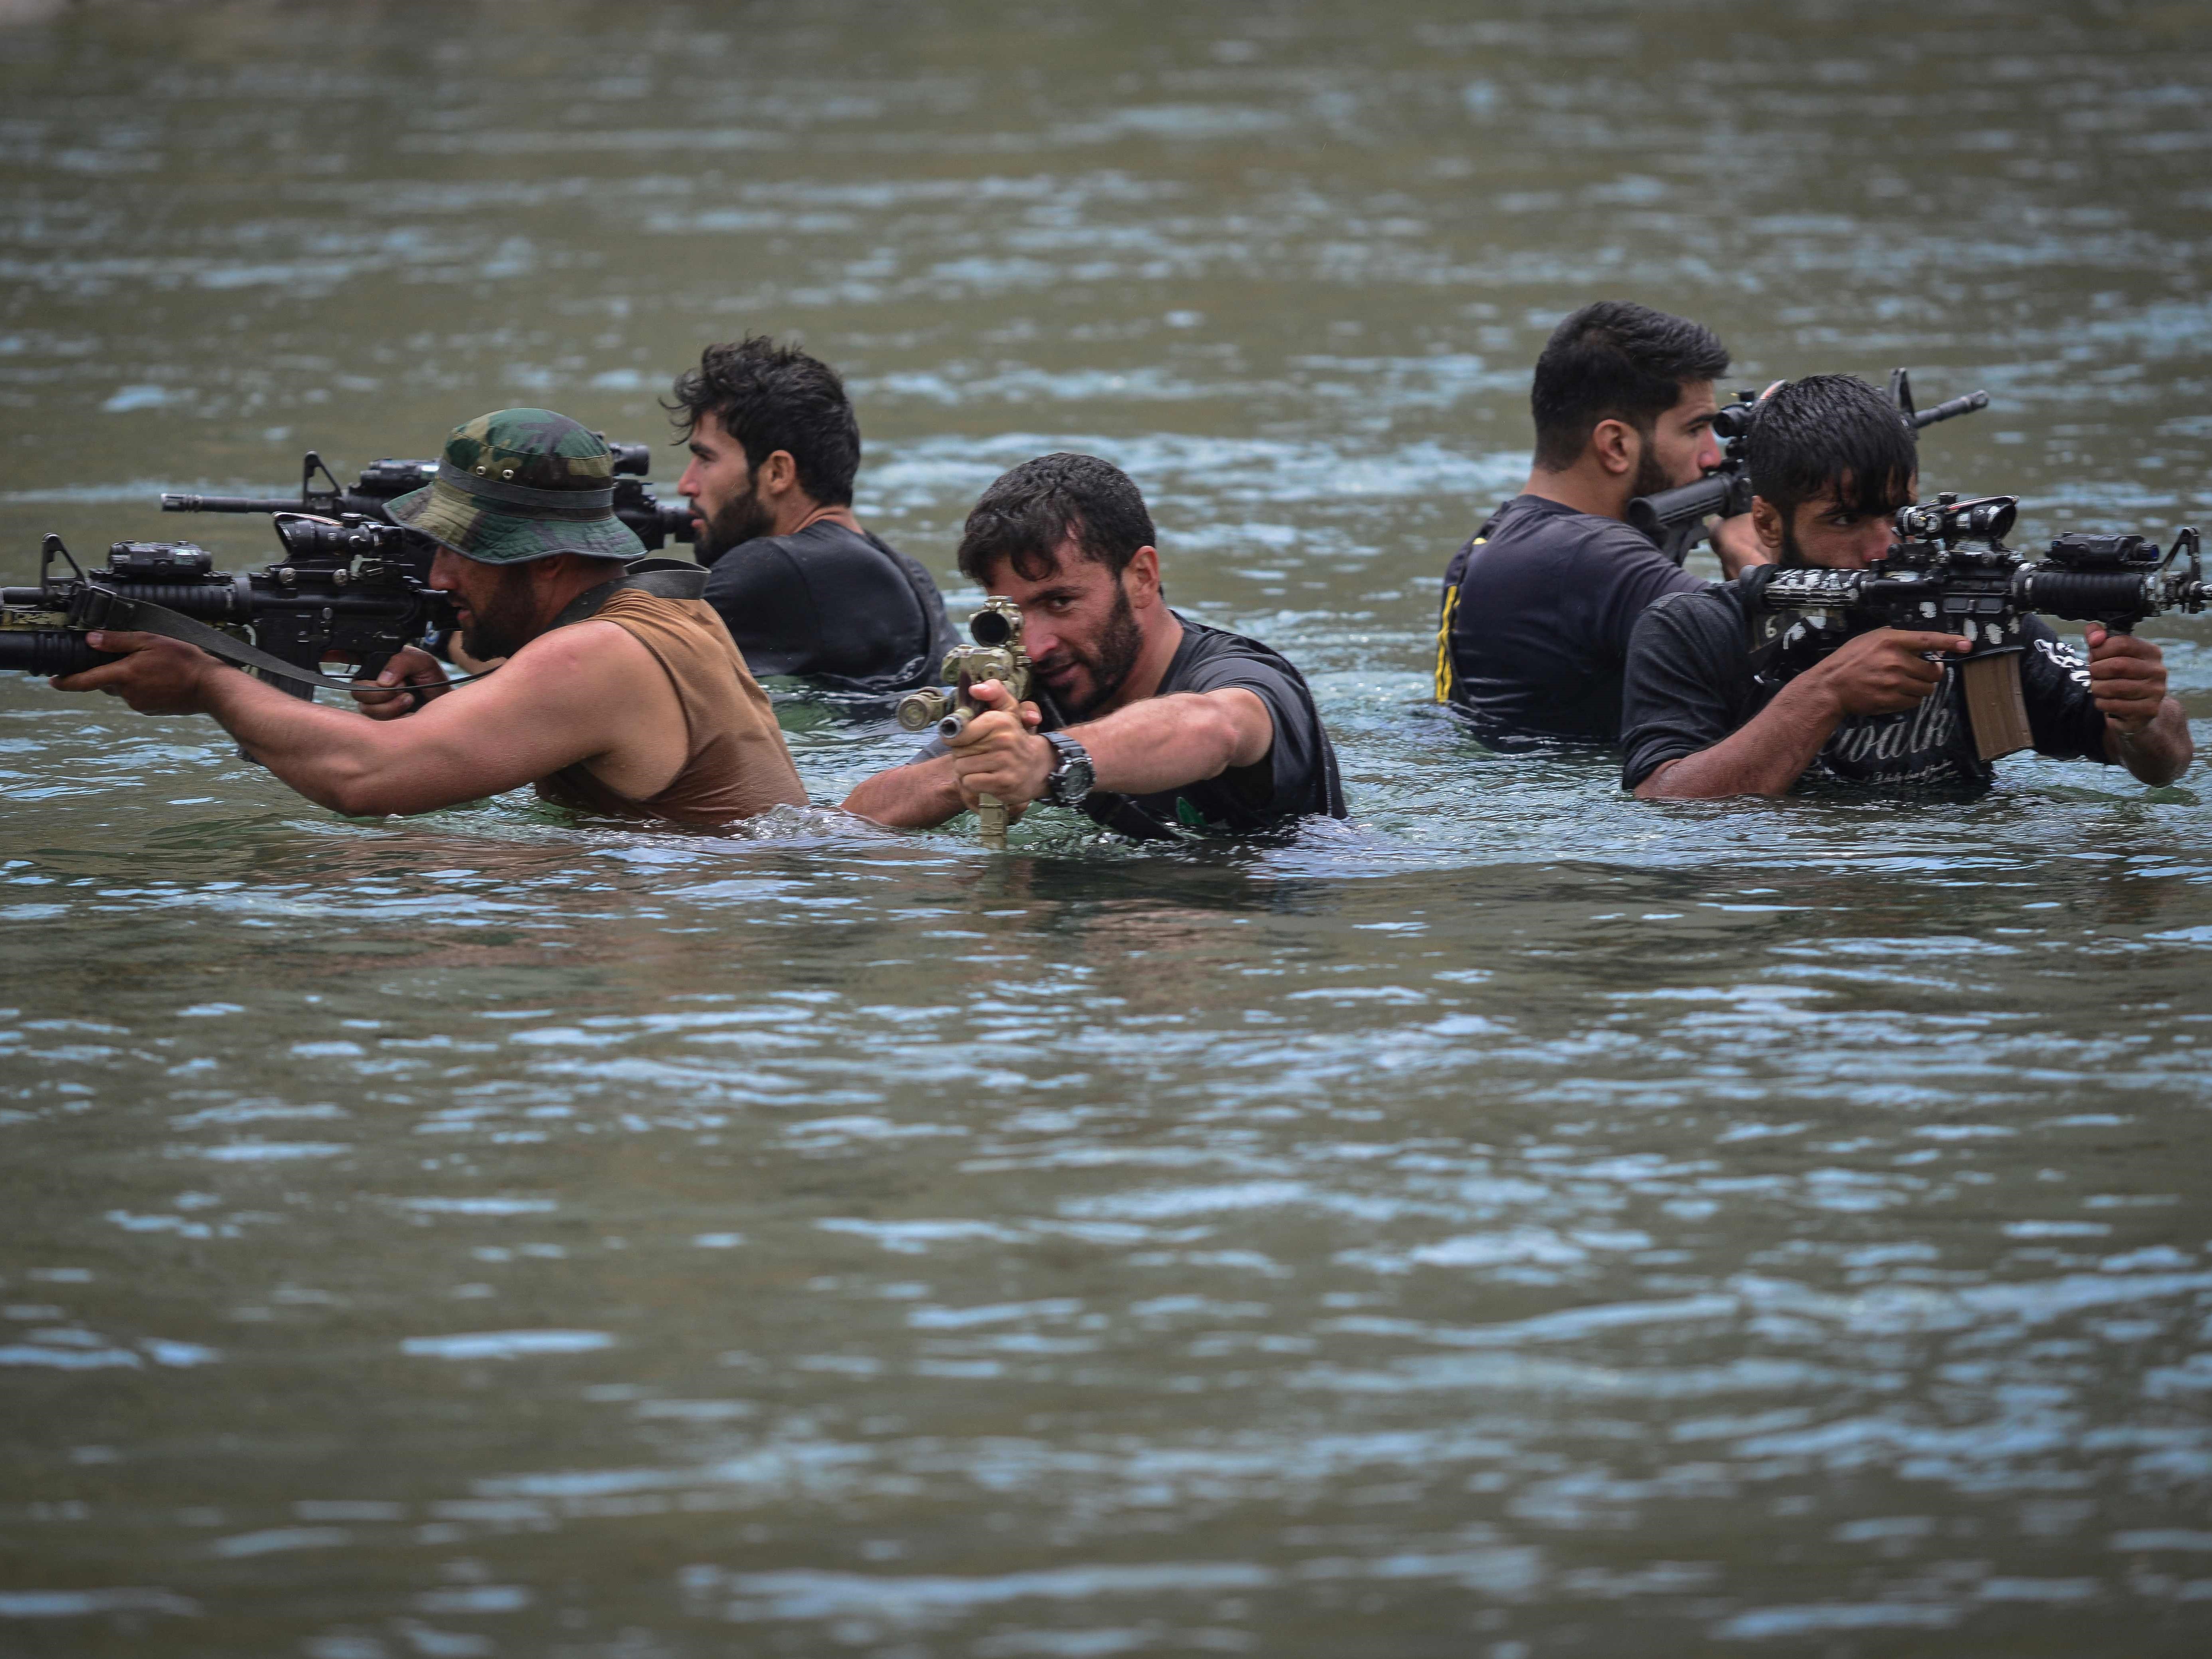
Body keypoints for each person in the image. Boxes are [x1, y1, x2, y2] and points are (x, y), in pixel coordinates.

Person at [51, 409, 810, 827]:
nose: (439, 576)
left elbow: (362, 777)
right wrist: (452, 707)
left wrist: (207, 682)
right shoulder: (658, 607)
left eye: (461, 553)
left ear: (546, 559)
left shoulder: (593, 655)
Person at [1620, 374, 2191, 797]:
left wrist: (2140, 716)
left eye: (1899, 515)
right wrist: (1825, 693)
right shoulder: (1691, 629)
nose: (1880, 547)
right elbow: (1660, 802)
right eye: (1843, 521)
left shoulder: (1968, 617)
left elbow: (2164, 763)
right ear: (1768, 523)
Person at [842, 453, 1345, 839]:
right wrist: (976, 772)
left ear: (1142, 577)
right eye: (1011, 616)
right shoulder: (1030, 686)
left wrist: (1045, 763)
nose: (1035, 647)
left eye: (1060, 601)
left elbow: (1212, 727)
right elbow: (851, 825)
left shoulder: (1247, 680)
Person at [1435, 300, 1767, 746]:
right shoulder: (1590, 557)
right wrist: (1757, 553)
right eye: (1695, 430)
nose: (1712, 457)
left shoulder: (1498, 537)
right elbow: (1800, 653)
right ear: (1615, 445)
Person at [669, 336, 955, 694]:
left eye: (706, 459)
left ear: (777, 473)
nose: (686, 484)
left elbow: (609, 670)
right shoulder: (912, 576)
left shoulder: (772, 565)